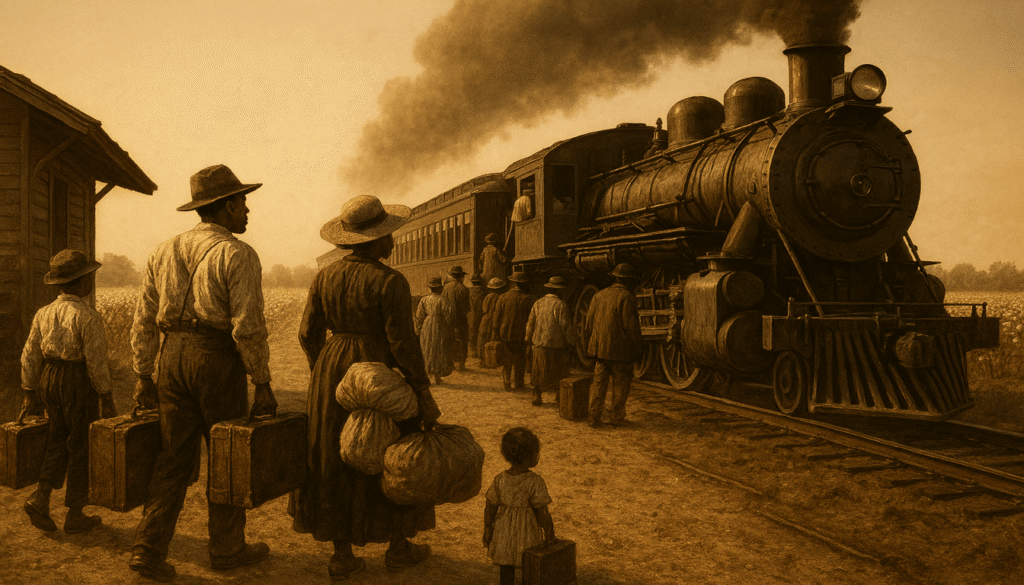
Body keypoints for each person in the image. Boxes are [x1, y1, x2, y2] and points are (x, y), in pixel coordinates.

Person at [129, 164, 278, 581]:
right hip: (215, 359)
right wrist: (262, 382)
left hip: (171, 358)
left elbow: (143, 319)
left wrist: (144, 374)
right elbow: (247, 326)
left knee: (172, 458)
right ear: (227, 207)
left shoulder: (163, 250)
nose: (247, 210)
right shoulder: (237, 253)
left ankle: (147, 549)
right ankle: (227, 549)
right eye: (243, 202)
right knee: (227, 456)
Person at [293, 194, 440, 580]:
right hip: (377, 370)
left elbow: (307, 334)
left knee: (331, 454)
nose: (392, 241)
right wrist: (421, 391)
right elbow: (403, 343)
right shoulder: (390, 281)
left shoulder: (324, 277)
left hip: (333, 366)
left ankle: (341, 554)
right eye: (388, 235)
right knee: (393, 451)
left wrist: (322, 371)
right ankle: (398, 545)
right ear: (373, 240)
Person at [19, 249, 118, 535]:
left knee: (56, 437)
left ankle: (41, 495)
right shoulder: (88, 316)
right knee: (79, 444)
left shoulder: (43, 313)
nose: (91, 282)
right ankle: (75, 513)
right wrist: (107, 396)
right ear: (81, 282)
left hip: (49, 377)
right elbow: (96, 362)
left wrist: (29, 389)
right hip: (76, 380)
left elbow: (29, 354)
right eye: (89, 277)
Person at [483, 427, 555, 585]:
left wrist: (488, 528)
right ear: (530, 455)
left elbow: (490, 506)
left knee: (506, 564)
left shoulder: (500, 479)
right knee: (529, 564)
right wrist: (549, 532)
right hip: (526, 530)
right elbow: (542, 511)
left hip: (504, 530)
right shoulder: (535, 481)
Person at [583, 263, 643, 428]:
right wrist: (638, 349)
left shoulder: (598, 296)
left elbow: (588, 325)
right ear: (628, 280)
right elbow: (631, 328)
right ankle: (615, 418)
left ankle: (593, 418)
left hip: (600, 352)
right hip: (620, 353)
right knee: (620, 387)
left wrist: (594, 344)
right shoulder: (626, 297)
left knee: (598, 385)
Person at [525, 276, 575, 406]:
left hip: (539, 343)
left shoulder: (538, 303)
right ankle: (559, 396)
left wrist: (528, 340)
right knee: (558, 371)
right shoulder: (561, 305)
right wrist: (572, 342)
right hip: (556, 345)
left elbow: (530, 324)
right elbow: (566, 327)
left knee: (538, 371)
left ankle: (537, 395)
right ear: (558, 291)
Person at [492, 271, 535, 393]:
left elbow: (496, 317)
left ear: (514, 283)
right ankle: (519, 383)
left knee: (507, 360)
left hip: (505, 333)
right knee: (520, 360)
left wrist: (495, 333)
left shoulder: (503, 297)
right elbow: (531, 320)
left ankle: (506, 382)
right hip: (521, 335)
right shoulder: (528, 298)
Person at [416, 276, 456, 384]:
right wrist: (449, 327)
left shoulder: (424, 299)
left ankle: (428, 375)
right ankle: (437, 377)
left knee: (427, 348)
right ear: (438, 288)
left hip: (427, 324)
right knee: (438, 349)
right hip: (439, 325)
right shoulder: (443, 300)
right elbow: (449, 315)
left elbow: (419, 315)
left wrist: (418, 327)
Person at [441, 265, 471, 371]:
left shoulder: (445, 288)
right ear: (461, 277)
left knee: (450, 341)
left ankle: (451, 364)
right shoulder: (464, 289)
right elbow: (466, 308)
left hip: (447, 320)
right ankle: (461, 365)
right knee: (462, 341)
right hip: (460, 320)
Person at [476, 277, 506, 366]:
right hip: (493, 319)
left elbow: (483, 309)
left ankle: (483, 360)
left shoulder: (487, 297)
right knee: (492, 338)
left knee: (482, 339)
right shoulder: (500, 297)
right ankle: (492, 360)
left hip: (485, 319)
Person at [467, 274, 487, 359]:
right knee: (480, 332)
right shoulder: (484, 292)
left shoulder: (469, 292)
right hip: (480, 315)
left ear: (472, 282)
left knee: (471, 331)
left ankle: (472, 351)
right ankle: (479, 352)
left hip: (470, 315)